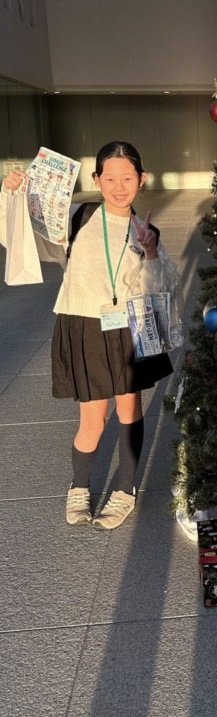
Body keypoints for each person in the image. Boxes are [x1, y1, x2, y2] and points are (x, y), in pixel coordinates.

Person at [1, 141, 178, 530]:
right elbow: (24, 238)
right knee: (92, 419)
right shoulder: (78, 217)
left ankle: (125, 490)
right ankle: (79, 486)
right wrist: (11, 196)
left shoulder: (146, 229)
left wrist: (150, 252)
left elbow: (162, 288)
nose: (119, 187)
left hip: (127, 328)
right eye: (110, 178)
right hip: (83, 326)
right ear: (96, 179)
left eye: (127, 178)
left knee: (129, 410)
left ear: (142, 179)